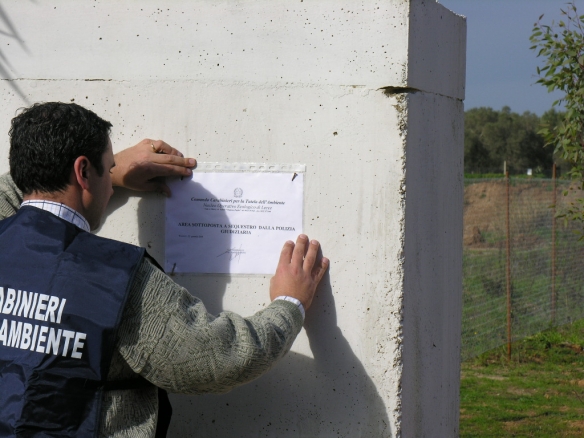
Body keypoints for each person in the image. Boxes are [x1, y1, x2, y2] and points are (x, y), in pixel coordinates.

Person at [0, 102, 329, 437]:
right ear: (83, 172)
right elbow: (214, 360)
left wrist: (100, 169)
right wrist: (290, 304)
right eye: (108, 168)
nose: (112, 185)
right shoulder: (115, 278)